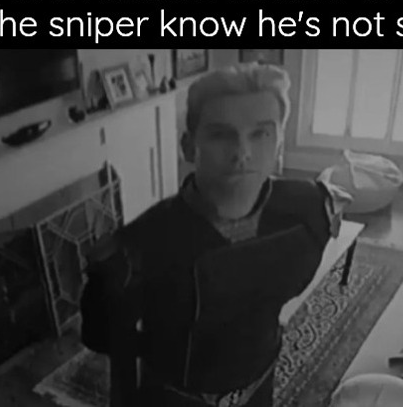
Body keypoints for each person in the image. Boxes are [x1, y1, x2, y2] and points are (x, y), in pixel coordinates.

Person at [79, 61, 349, 407]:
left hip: (260, 383)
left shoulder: (308, 209)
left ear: (280, 145)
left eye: (261, 134)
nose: (242, 153)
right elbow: (102, 336)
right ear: (188, 147)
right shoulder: (140, 246)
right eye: (221, 134)